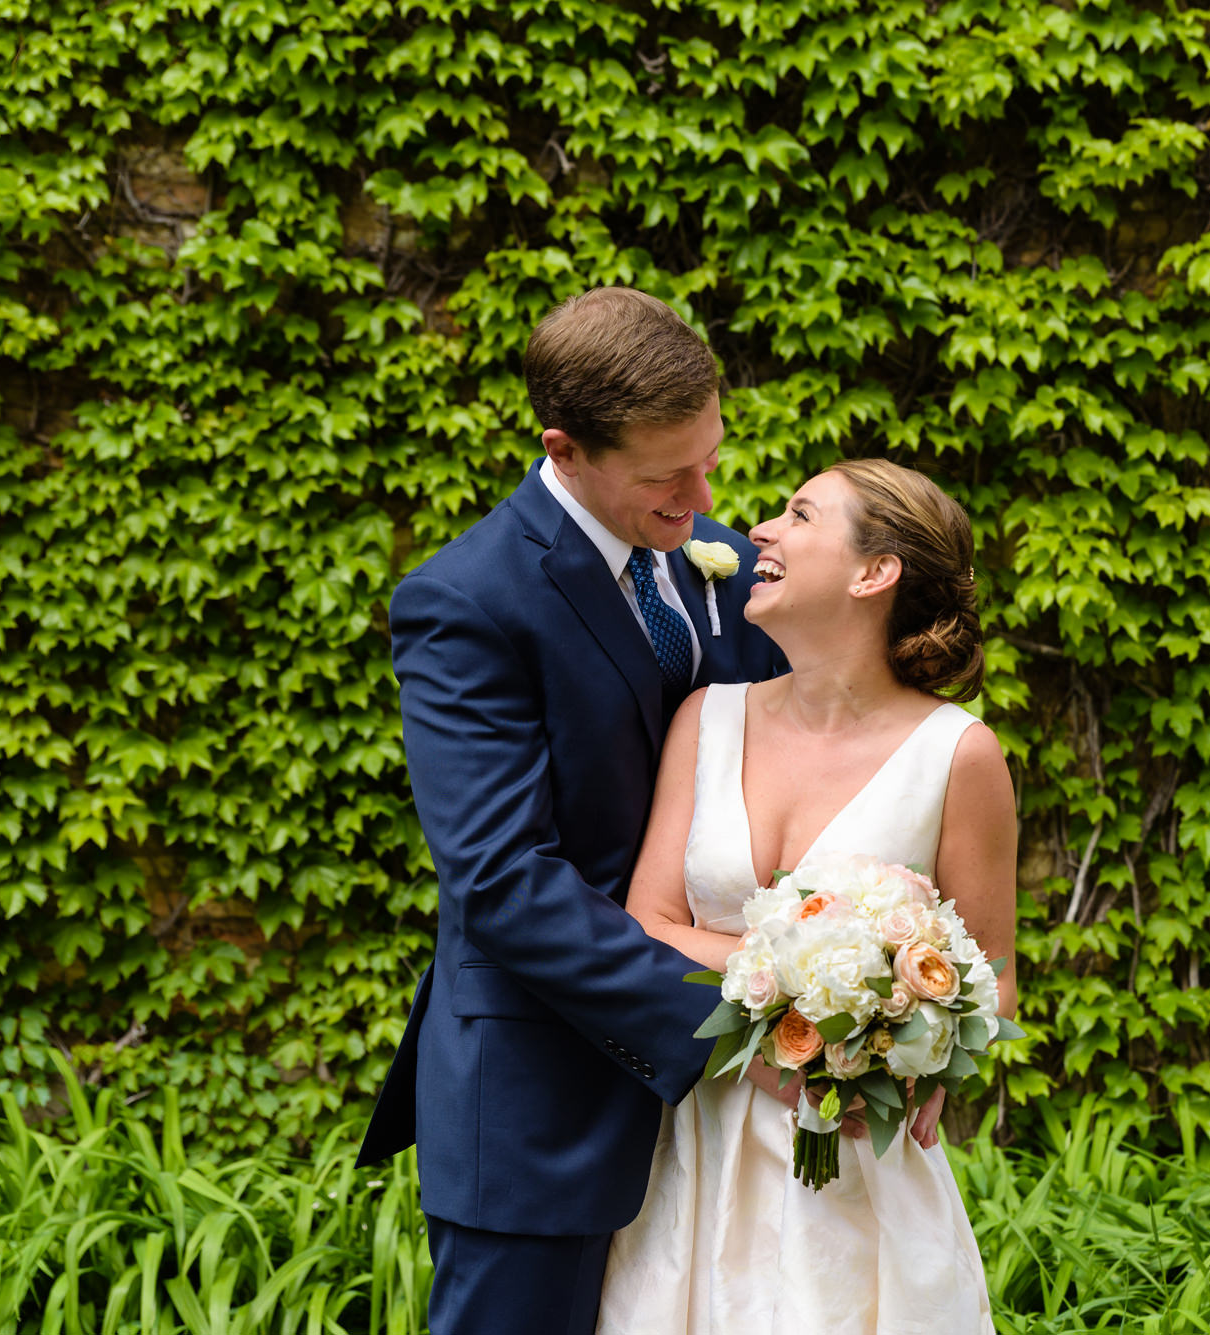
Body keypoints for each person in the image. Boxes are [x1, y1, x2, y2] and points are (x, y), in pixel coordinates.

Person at [354, 288, 789, 1335]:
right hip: (542, 1093)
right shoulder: (465, 601)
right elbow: (503, 882)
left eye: (709, 458)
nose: (700, 498)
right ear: (566, 448)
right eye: (663, 475)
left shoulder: (717, 561)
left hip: (740, 1126)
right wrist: (738, 1007)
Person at [599, 458, 1018, 1333]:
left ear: (875, 572)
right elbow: (644, 923)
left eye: (799, 515)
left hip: (856, 1156)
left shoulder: (960, 753)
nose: (759, 530)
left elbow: (990, 972)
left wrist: (915, 1035)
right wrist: (807, 969)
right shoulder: (706, 717)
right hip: (697, 1142)